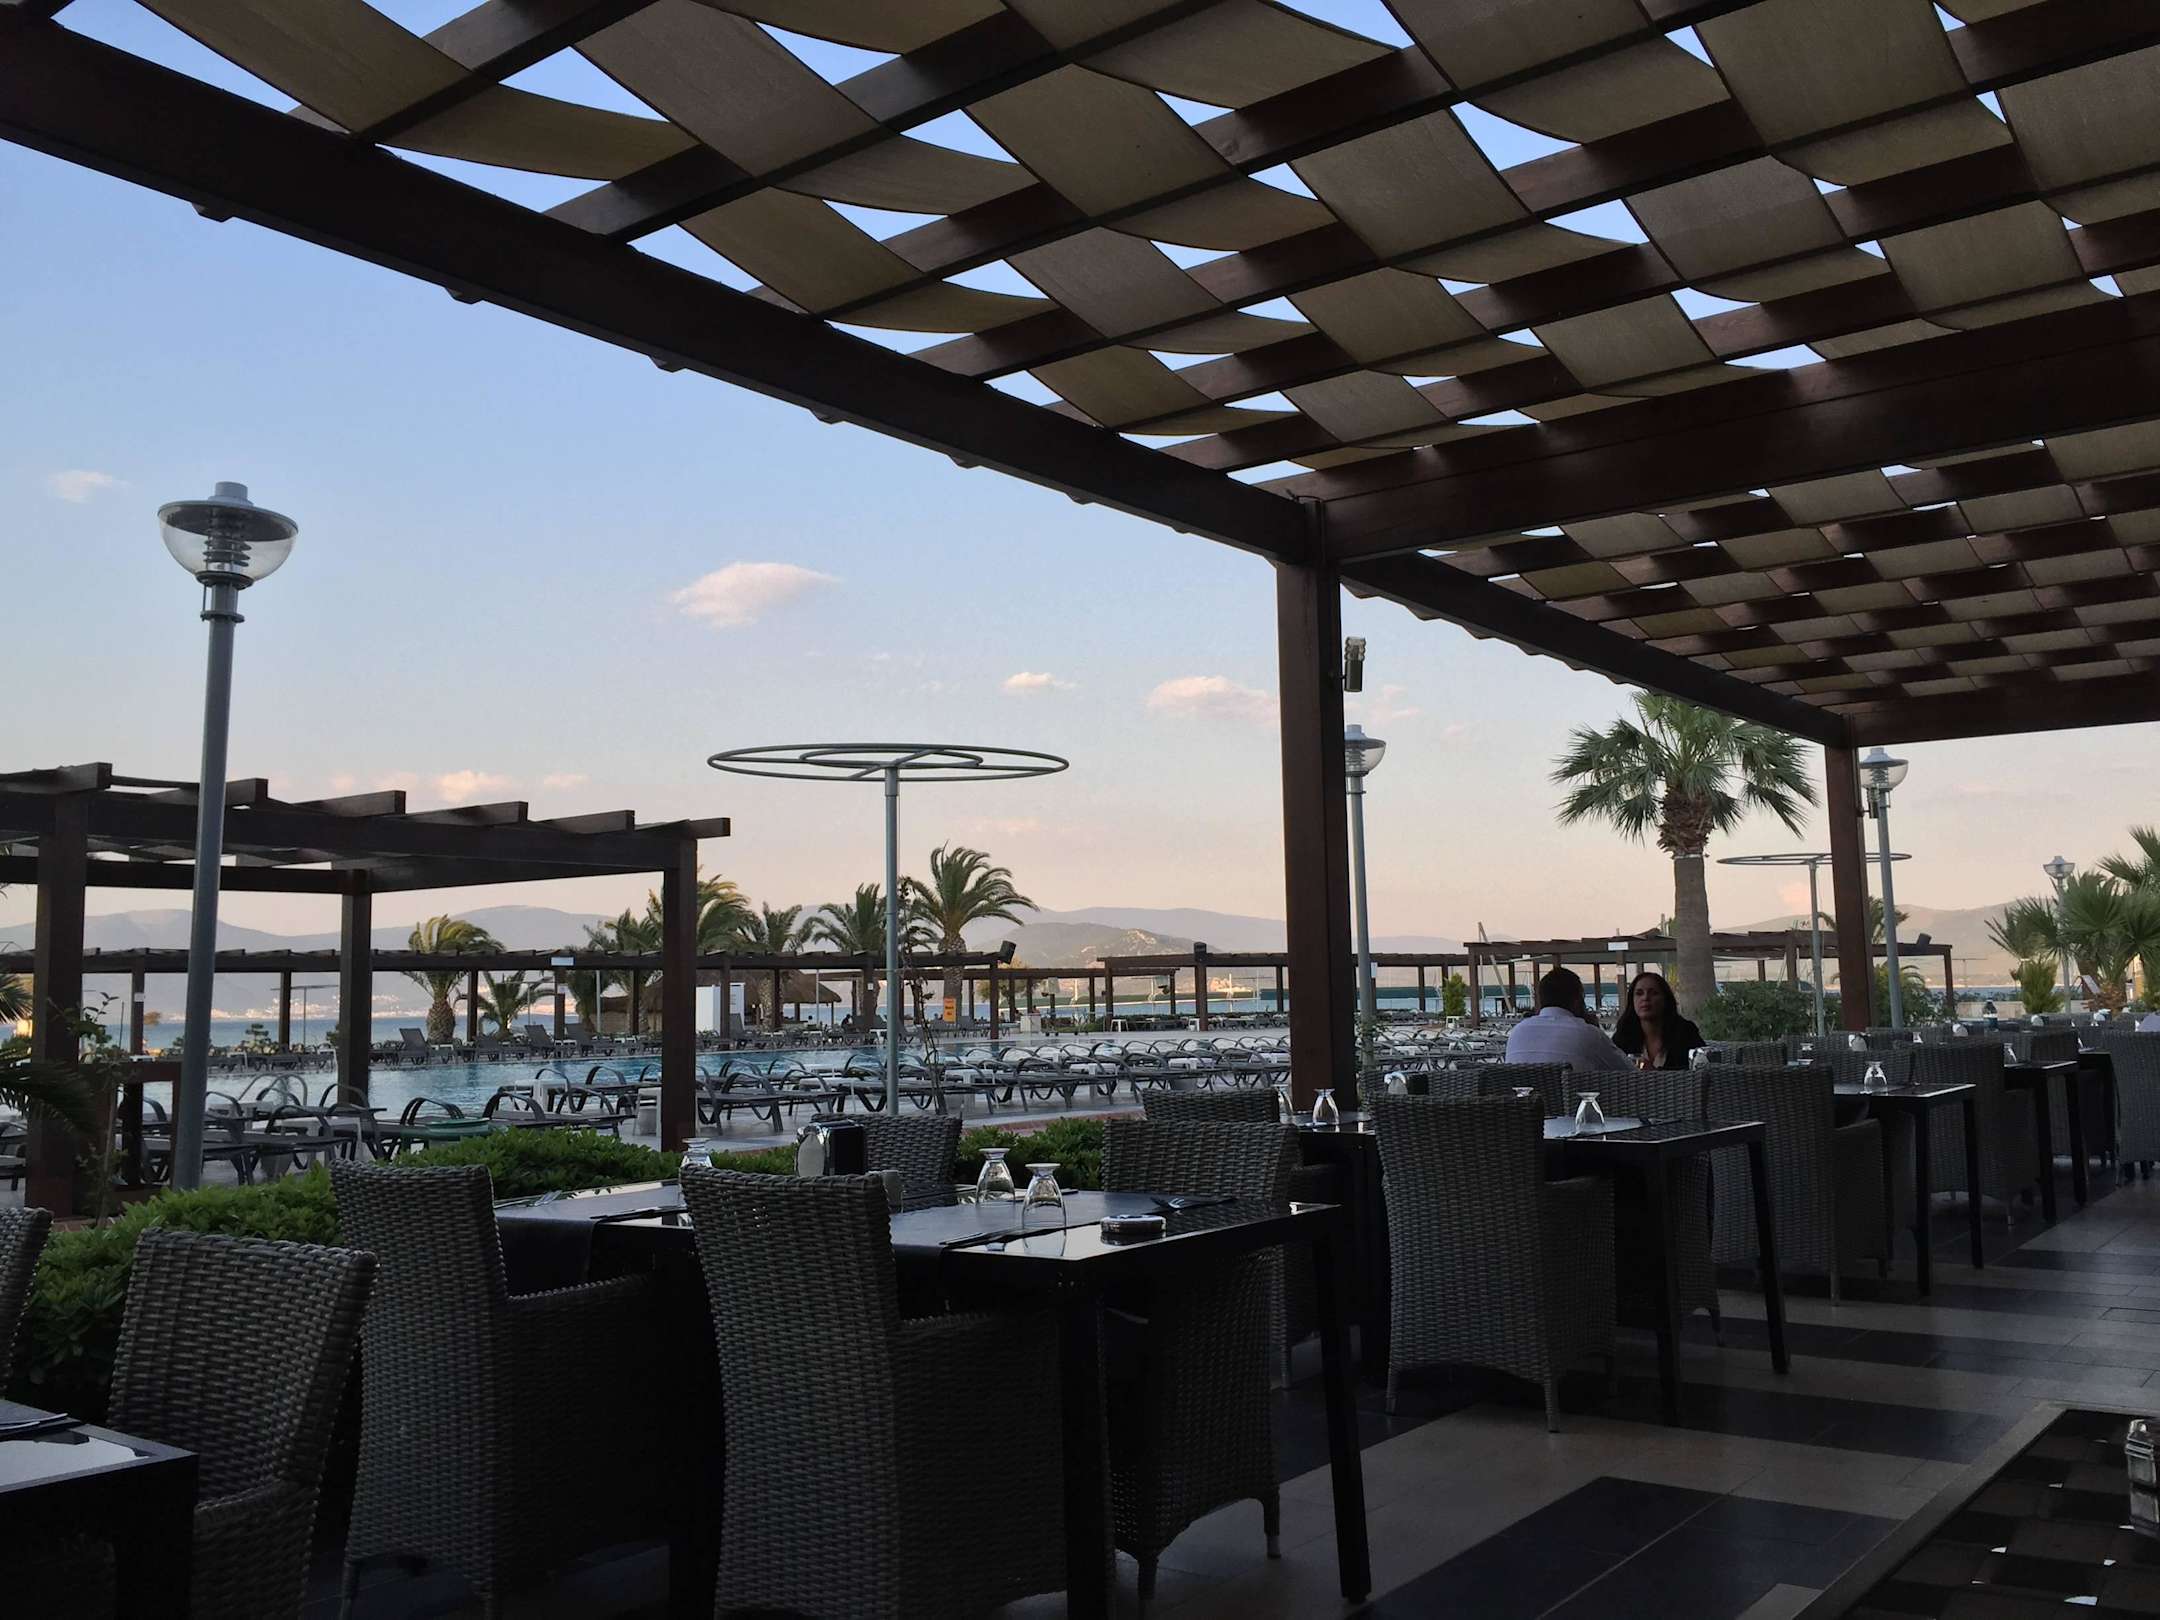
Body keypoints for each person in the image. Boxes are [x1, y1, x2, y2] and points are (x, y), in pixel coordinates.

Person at [1505, 968, 1631, 1072]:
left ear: (1540, 1000)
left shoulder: (1517, 1032)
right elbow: (1629, 1072)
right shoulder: (1588, 1034)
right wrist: (1593, 1030)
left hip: (1519, 1096)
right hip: (1571, 1096)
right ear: (1577, 1001)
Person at [1610, 971, 1706, 1070]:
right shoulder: (1624, 1034)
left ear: (1665, 999)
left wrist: (1655, 1072)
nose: (1645, 998)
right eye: (1639, 993)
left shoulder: (1685, 1032)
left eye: (1653, 993)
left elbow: (1703, 1068)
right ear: (1632, 1000)